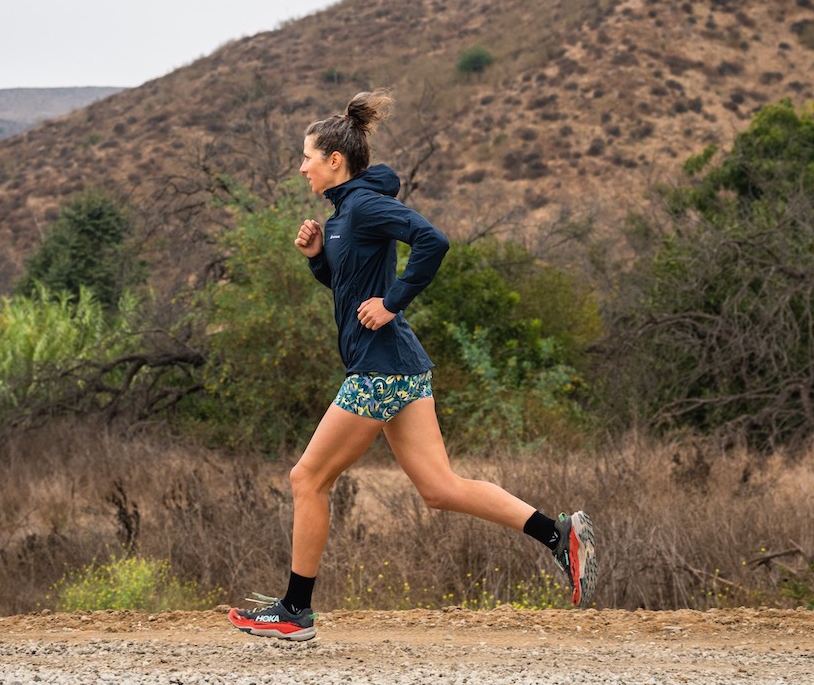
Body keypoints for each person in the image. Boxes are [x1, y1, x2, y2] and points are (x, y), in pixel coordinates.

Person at [227, 89, 597, 642]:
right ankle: (558, 534)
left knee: (308, 477)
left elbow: (433, 241)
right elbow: (347, 286)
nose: (301, 166)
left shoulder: (367, 206)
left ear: (335, 160)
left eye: (307, 156)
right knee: (440, 488)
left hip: (380, 370)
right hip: (399, 365)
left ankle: (295, 611)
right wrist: (315, 261)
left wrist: (393, 302)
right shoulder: (341, 215)